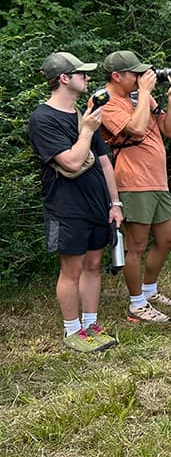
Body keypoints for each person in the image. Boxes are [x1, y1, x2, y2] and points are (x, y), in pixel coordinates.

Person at [28, 52, 123, 353]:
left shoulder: (85, 114)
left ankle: (91, 325)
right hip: (66, 208)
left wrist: (115, 203)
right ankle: (72, 331)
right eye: (82, 74)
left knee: (93, 265)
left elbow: (105, 163)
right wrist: (87, 131)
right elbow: (70, 162)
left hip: (97, 205)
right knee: (71, 269)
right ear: (64, 79)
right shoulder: (42, 119)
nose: (88, 78)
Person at [99, 50, 171, 323]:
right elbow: (136, 129)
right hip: (132, 182)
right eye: (135, 74)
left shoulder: (140, 96)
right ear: (117, 76)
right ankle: (136, 304)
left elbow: (169, 130)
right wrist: (144, 91)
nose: (141, 78)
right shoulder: (105, 101)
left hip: (157, 181)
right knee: (136, 245)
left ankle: (149, 291)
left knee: (167, 238)